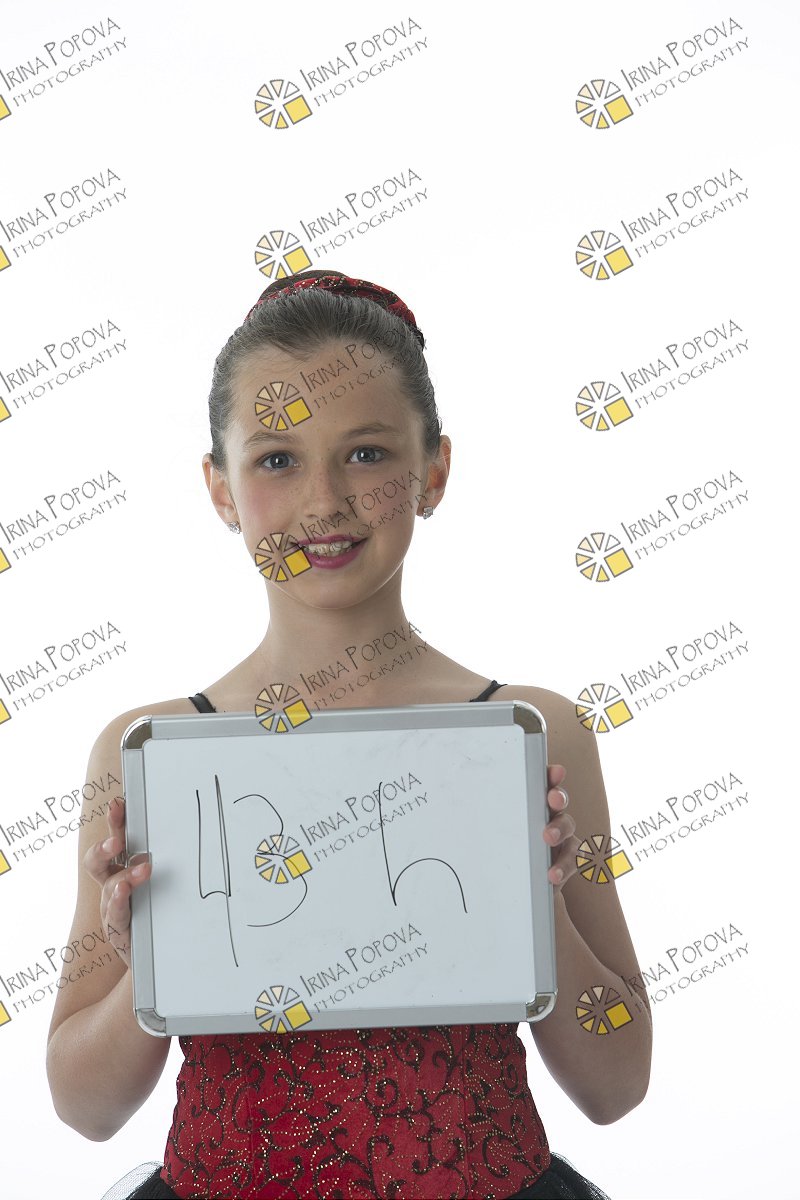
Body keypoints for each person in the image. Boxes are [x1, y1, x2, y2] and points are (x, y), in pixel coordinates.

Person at [46, 270, 652, 1200]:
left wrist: (542, 902)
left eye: (367, 454)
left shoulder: (529, 731)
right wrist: (150, 962)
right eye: (276, 460)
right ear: (219, 488)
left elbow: (617, 1084)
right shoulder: (151, 752)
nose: (325, 499)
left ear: (433, 471)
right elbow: (84, 1108)